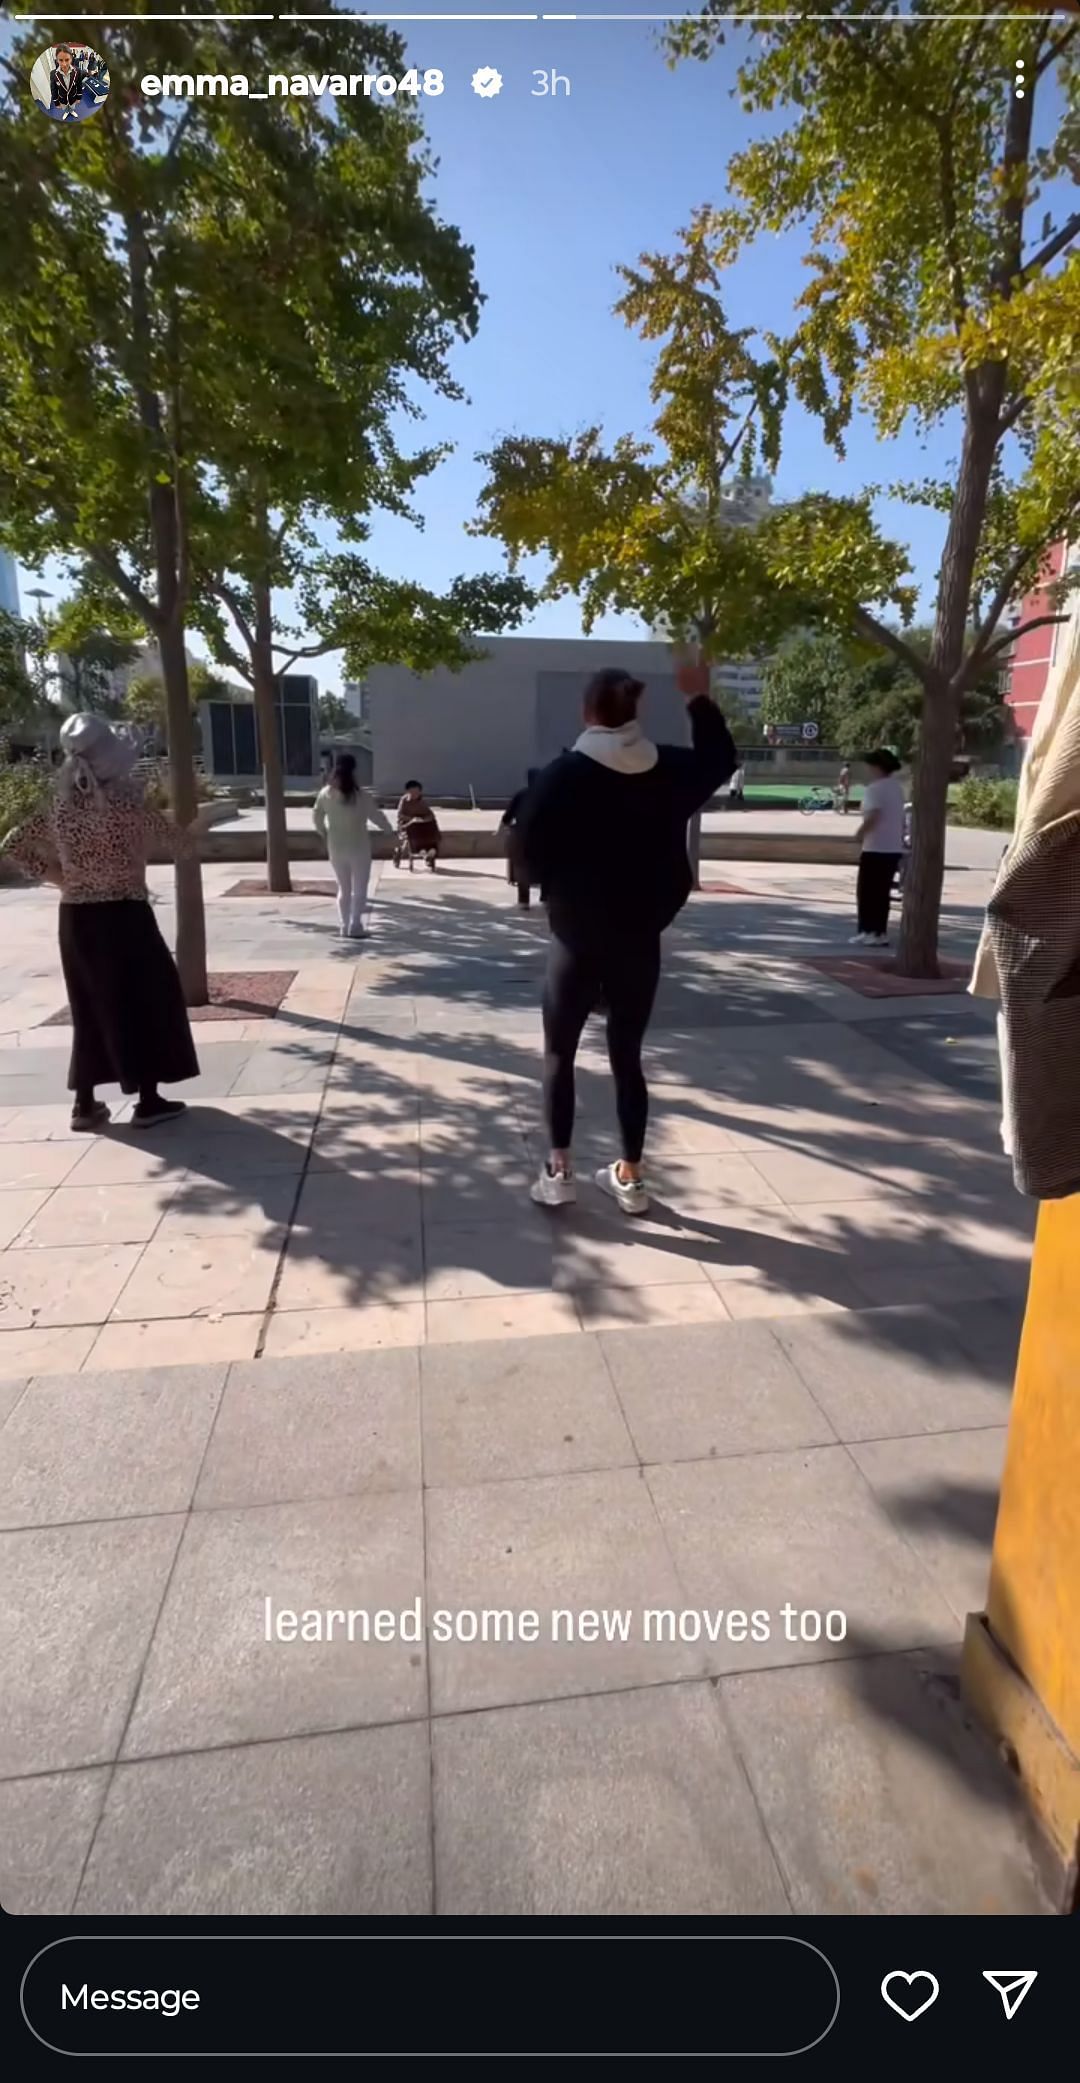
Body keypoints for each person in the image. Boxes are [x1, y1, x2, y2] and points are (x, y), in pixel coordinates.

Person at [518, 663, 737, 1215]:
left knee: (558, 1054)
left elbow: (526, 852)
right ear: (634, 710)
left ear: (588, 712)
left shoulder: (560, 775)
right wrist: (698, 699)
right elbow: (719, 760)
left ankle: (559, 1169)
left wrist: (557, 886)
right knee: (627, 1056)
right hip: (639, 936)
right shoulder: (666, 768)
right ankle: (631, 1177)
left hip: (575, 936)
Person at [0, 714, 199, 1131]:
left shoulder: (60, 807)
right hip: (126, 915)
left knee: (88, 1005)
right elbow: (182, 844)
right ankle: (148, 1099)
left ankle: (85, 1105)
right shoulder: (127, 804)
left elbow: (12, 844)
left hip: (77, 918)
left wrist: (59, 876)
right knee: (147, 999)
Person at [313, 751, 391, 938]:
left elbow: (316, 817)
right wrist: (388, 830)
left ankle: (343, 925)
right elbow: (376, 815)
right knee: (360, 888)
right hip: (359, 846)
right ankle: (356, 925)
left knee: (343, 887)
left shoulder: (325, 794)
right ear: (354, 770)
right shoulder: (361, 795)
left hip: (336, 846)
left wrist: (324, 833)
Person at [852, 748, 906, 946]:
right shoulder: (896, 788)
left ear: (876, 767)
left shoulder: (875, 789)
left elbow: (873, 816)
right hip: (892, 847)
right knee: (882, 893)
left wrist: (860, 833)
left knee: (867, 891)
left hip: (875, 847)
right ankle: (879, 932)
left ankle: (868, 930)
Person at [500, 771, 539, 906]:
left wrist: (503, 827)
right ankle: (546, 898)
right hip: (544, 835)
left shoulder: (521, 795)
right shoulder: (549, 794)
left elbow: (507, 816)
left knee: (521, 866)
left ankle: (524, 901)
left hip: (523, 834)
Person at [396, 779, 440, 869]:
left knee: (432, 824)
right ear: (408, 792)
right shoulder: (404, 801)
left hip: (421, 825)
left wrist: (423, 819)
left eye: (417, 792)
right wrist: (412, 819)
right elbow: (400, 815)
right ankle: (421, 850)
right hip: (407, 824)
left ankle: (432, 850)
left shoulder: (422, 802)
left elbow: (431, 815)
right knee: (413, 827)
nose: (415, 795)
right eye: (412, 792)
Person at [50, 43, 85, 111]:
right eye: (60, 60)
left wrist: (78, 97)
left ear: (71, 59)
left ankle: (71, 112)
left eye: (67, 60)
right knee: (65, 110)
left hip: (73, 98)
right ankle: (66, 112)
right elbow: (53, 90)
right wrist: (56, 103)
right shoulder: (53, 74)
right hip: (62, 99)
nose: (64, 64)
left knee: (72, 108)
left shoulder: (77, 71)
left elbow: (79, 85)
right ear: (57, 60)